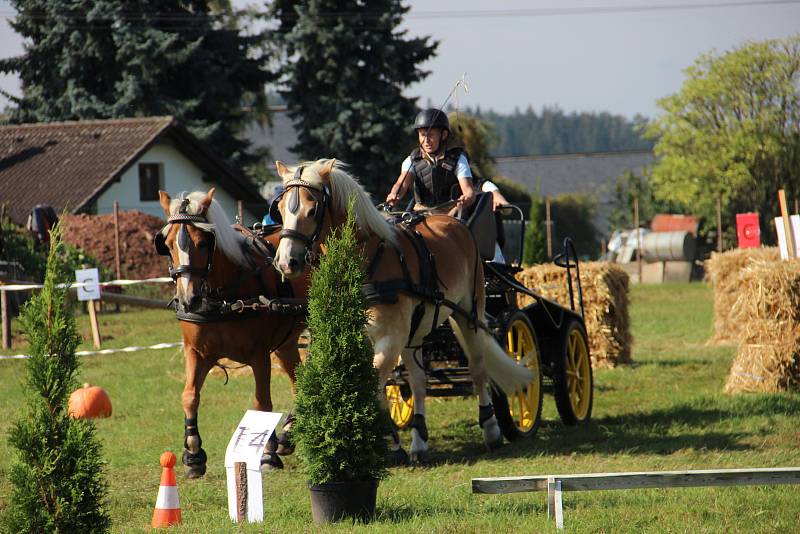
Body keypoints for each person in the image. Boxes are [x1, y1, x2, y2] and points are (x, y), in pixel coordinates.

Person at [386, 108, 476, 213]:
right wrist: (394, 194)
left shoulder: (458, 159)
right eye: (423, 135)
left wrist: (467, 199)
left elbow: (469, 191)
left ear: (443, 135)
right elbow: (401, 184)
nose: (426, 141)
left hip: (450, 213)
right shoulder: (412, 160)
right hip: (421, 212)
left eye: (431, 135)